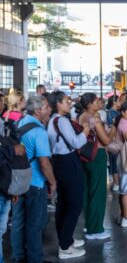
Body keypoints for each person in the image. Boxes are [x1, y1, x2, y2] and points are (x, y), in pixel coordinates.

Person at [11, 96, 57, 263]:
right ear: (38, 111)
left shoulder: (19, 124)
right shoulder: (39, 132)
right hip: (35, 182)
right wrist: (52, 182)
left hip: (17, 181)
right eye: (46, 107)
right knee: (34, 224)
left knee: (18, 221)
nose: (50, 109)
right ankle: (35, 259)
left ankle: (18, 257)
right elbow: (44, 164)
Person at [47, 91, 89, 259]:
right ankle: (65, 247)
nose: (69, 103)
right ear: (58, 104)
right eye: (66, 101)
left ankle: (66, 239)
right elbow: (76, 142)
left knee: (64, 203)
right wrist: (85, 131)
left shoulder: (53, 121)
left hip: (59, 162)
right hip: (68, 162)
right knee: (75, 204)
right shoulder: (62, 121)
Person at [77, 93, 117, 240]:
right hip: (97, 155)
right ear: (89, 105)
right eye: (96, 101)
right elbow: (106, 140)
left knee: (88, 191)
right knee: (98, 193)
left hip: (84, 155)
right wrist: (113, 129)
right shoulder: (94, 119)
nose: (99, 102)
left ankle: (89, 224)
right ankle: (95, 229)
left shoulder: (82, 116)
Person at [0, 94, 26, 263]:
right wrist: (13, 151)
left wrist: (12, 188)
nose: (1, 104)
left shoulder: (4, 122)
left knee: (1, 230)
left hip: (4, 183)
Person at [106, 96, 121, 191]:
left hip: (114, 140)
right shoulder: (112, 113)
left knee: (114, 162)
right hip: (115, 140)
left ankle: (116, 183)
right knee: (115, 162)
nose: (121, 102)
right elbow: (113, 128)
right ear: (114, 102)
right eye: (119, 100)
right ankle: (116, 183)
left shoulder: (114, 112)